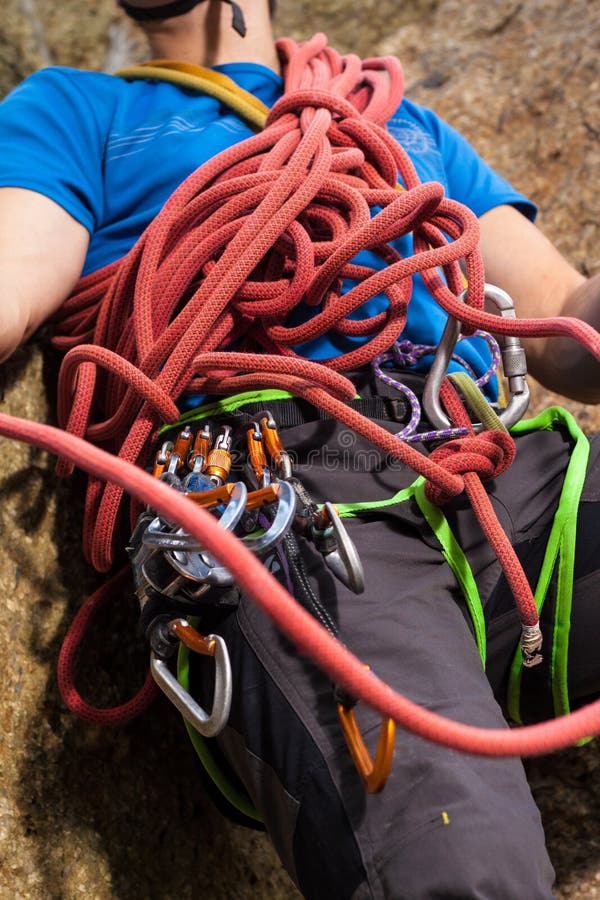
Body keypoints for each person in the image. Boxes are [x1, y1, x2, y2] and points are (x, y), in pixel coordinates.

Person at [0, 1, 598, 897]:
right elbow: (15, 277)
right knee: (461, 863)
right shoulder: (78, 110)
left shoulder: (396, 116)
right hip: (274, 482)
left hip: (492, 466)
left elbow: (563, 328)